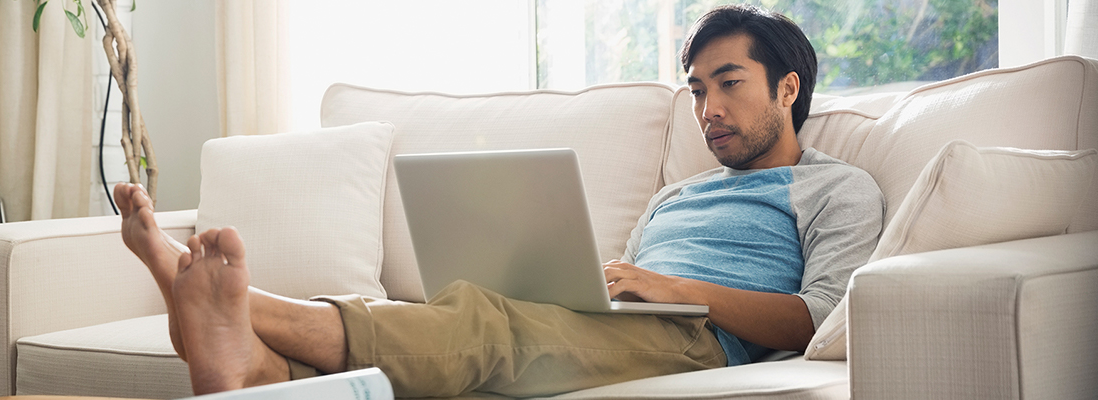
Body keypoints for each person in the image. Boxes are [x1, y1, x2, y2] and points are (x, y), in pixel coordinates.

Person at [116, 4, 883, 398]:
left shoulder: (834, 188)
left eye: (728, 84)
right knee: (480, 318)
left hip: (701, 342)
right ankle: (252, 373)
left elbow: (819, 318)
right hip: (620, 318)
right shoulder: (677, 195)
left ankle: (237, 307)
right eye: (696, 90)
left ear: (787, 88)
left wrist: (677, 291)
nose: (707, 108)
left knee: (489, 329)